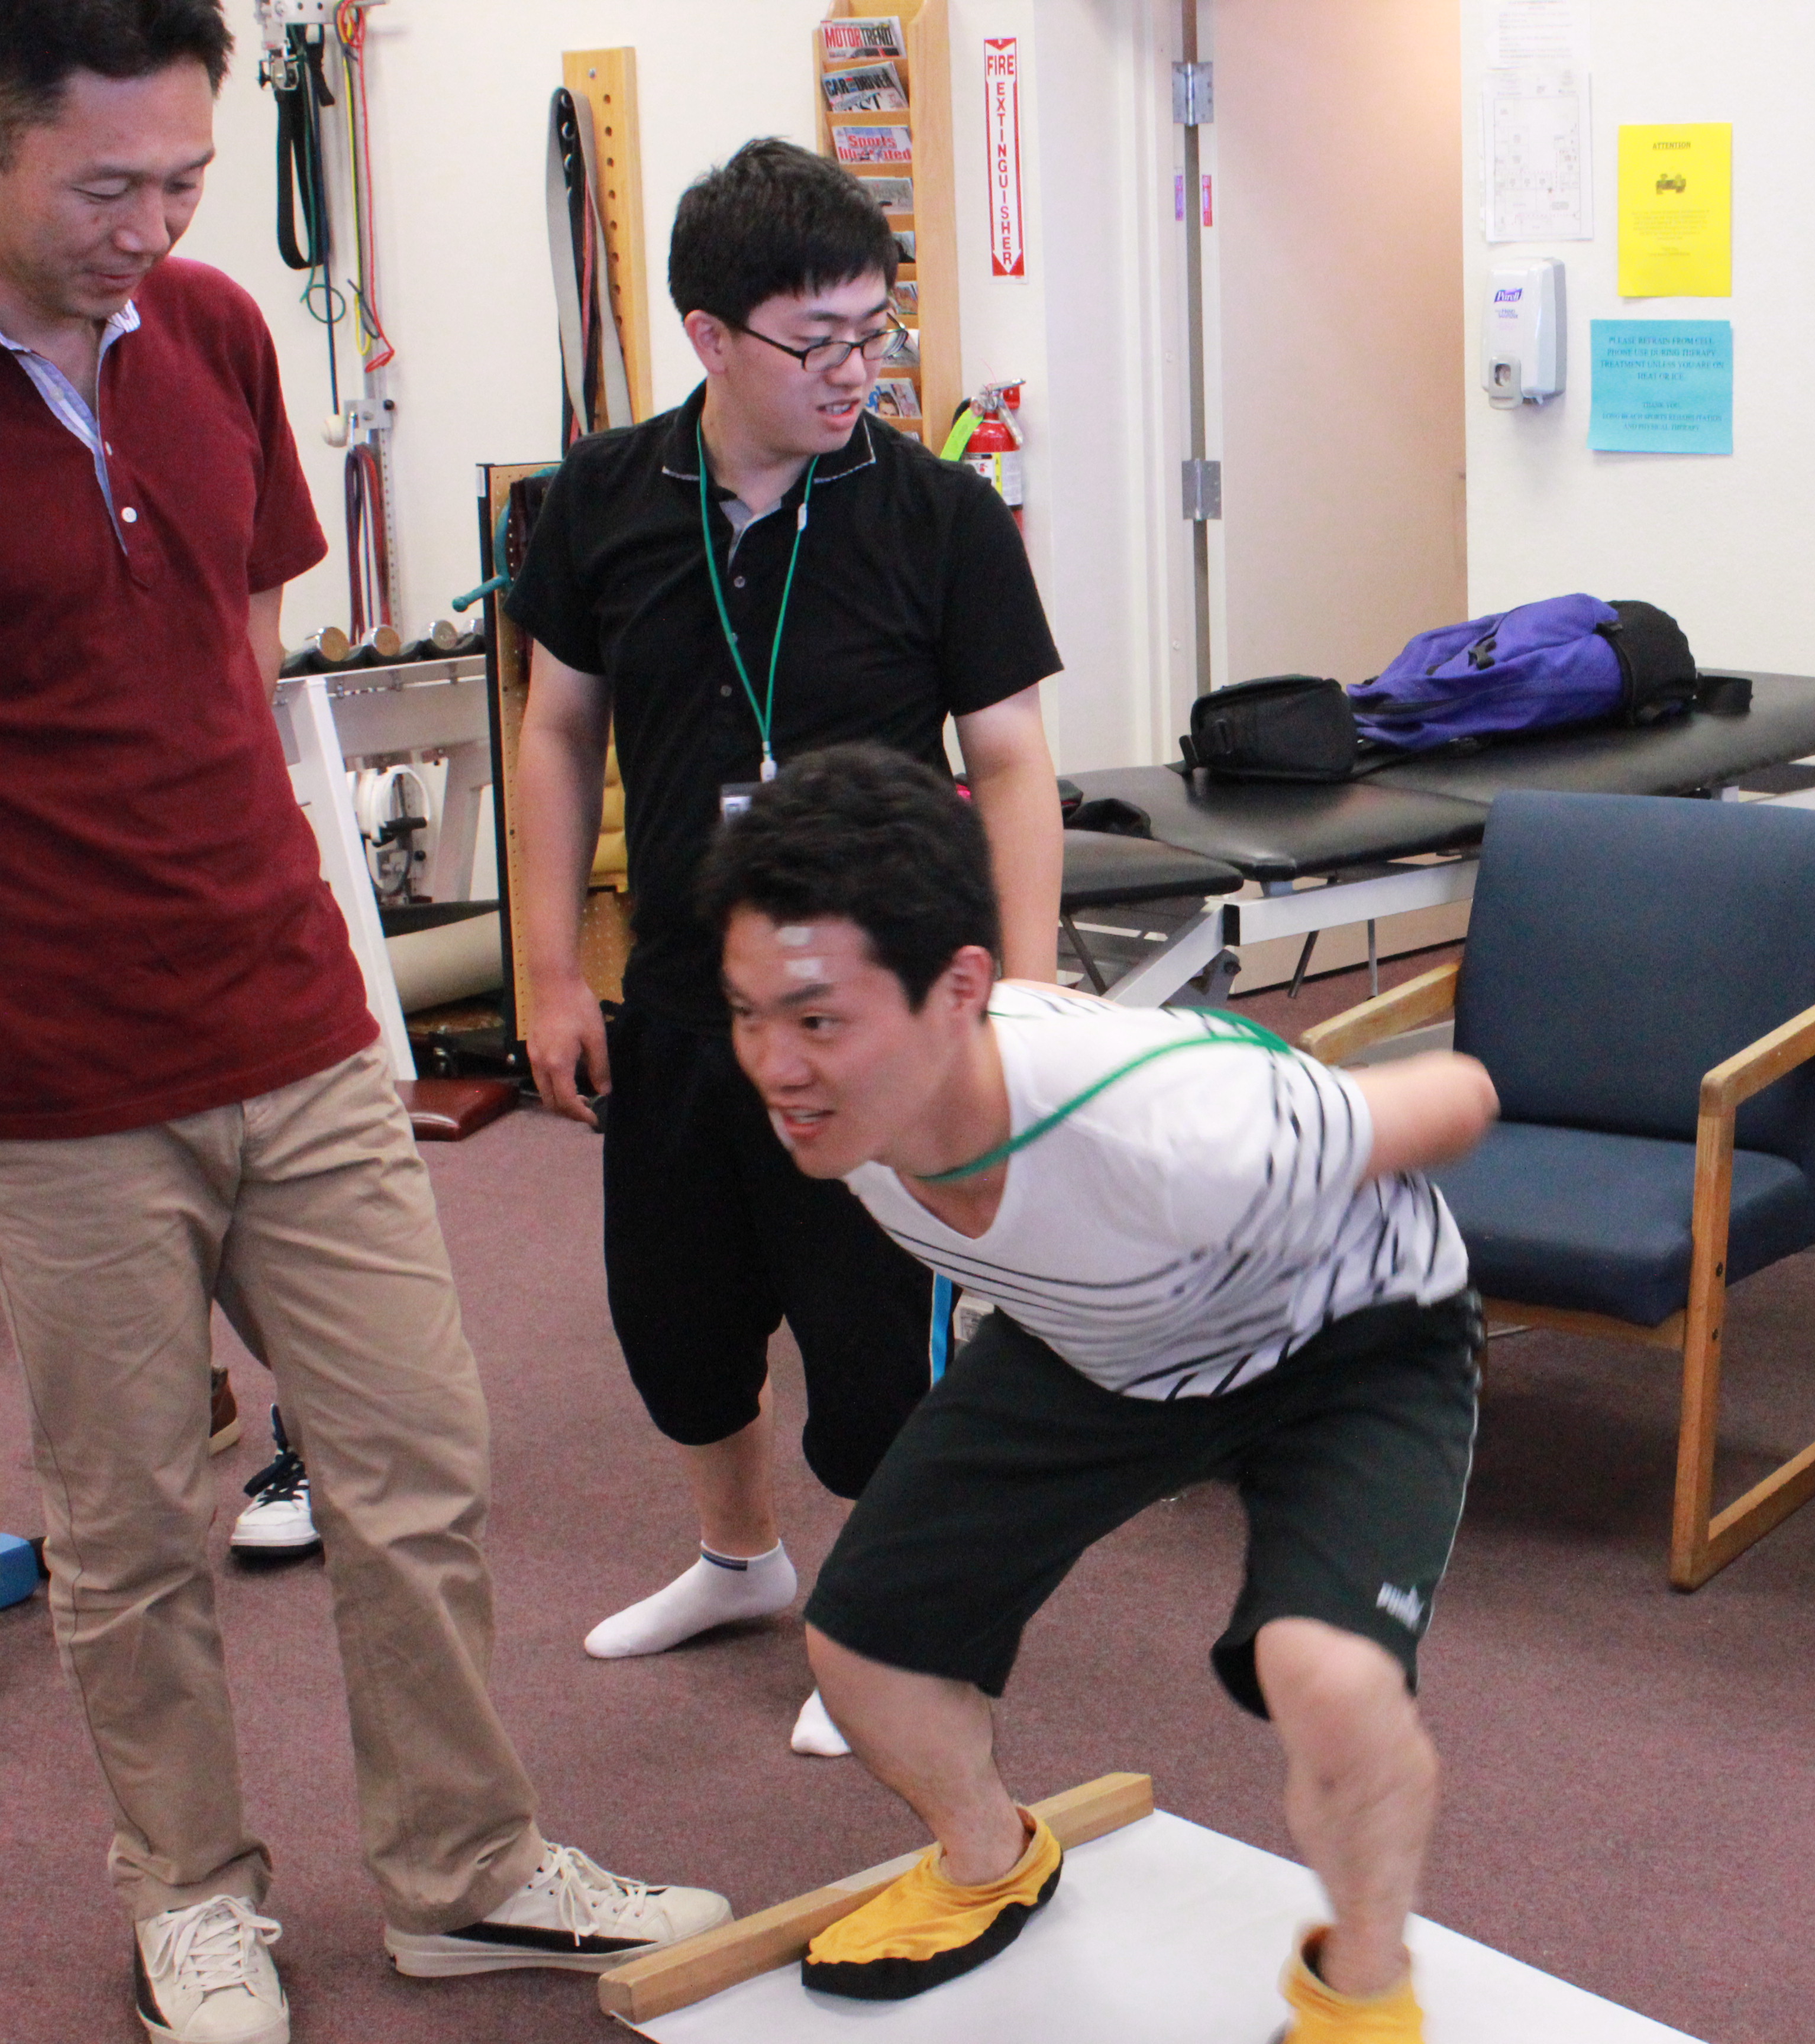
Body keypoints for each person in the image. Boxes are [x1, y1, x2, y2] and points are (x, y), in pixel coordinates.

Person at [0, 8, 729, 2042]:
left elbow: (238, 667)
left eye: (184, 179)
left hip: (296, 1019)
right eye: (106, 185)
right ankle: (192, 1898)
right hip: (58, 1081)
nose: (154, 224)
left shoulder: (219, 332)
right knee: (134, 1530)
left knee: (417, 1459)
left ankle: (463, 1868)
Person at [696, 746, 1495, 2042]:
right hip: (1112, 1343)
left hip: (1347, 1336)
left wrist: (1312, 1144)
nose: (776, 1065)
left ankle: (1363, 1992)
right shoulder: (847, 1117)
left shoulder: (1176, 1127)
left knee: (1330, 1680)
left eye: (819, 1021)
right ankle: (988, 1860)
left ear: (961, 991)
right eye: (750, 1015)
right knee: (862, 1652)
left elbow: (1460, 1093)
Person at [508, 138, 1067, 1757]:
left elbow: (1015, 763)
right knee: (679, 1331)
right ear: (709, 335)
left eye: (874, 331)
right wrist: (549, 970)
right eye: (816, 339)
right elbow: (556, 734)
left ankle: (903, 1622)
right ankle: (739, 1559)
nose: (856, 369)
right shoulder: (603, 497)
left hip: (879, 1026)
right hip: (688, 1003)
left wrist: (1024, 994)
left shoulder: (938, 513)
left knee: (880, 1355)